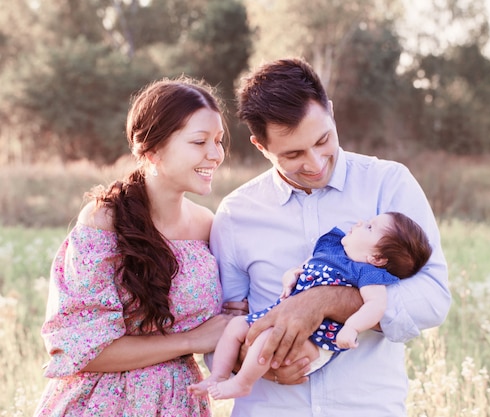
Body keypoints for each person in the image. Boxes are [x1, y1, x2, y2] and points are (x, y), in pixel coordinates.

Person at [207, 57, 451, 416]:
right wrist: (265, 360)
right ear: (260, 146)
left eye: (323, 140)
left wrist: (323, 301)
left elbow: (433, 297)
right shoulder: (235, 214)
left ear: (331, 112)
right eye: (292, 154)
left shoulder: (388, 183)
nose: (316, 162)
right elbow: (221, 325)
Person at [34, 76, 247, 417]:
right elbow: (82, 349)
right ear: (152, 150)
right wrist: (191, 341)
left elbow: (232, 316)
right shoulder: (104, 220)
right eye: (199, 141)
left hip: (179, 402)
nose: (215, 154)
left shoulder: (208, 225)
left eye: (219, 141)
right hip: (102, 403)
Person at [190, 212, 432, 399]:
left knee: (267, 339)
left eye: (369, 227)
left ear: (377, 258)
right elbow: (303, 267)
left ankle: (243, 383)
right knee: (235, 326)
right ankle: (219, 376)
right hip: (281, 314)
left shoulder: (366, 272)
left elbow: (375, 306)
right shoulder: (331, 249)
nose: (360, 222)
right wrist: (289, 277)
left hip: (317, 334)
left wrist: (352, 327)